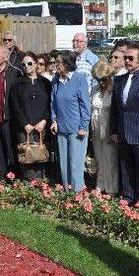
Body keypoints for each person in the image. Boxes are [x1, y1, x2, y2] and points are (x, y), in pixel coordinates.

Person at [110, 43, 139, 204]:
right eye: (126, 58)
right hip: (123, 131)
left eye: (131, 58)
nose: (128, 61)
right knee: (125, 166)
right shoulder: (119, 80)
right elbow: (115, 108)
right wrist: (114, 130)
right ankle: (128, 195)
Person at [50, 51, 90, 191]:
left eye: (58, 62)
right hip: (61, 127)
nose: (56, 65)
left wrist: (84, 126)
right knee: (64, 163)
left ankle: (77, 192)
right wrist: (54, 120)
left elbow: (85, 105)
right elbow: (53, 102)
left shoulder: (79, 79)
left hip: (77, 128)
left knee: (75, 163)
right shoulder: (56, 80)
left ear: (68, 64)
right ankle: (67, 191)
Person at [10, 51, 52, 180]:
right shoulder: (17, 84)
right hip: (25, 126)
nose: (27, 66)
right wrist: (24, 124)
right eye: (24, 64)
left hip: (41, 125)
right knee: (26, 156)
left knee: (40, 155)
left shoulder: (45, 83)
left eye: (29, 63)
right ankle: (27, 184)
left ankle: (40, 182)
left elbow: (50, 104)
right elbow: (15, 106)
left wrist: (44, 120)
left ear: (35, 64)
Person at [0, 46, 21, 175]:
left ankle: (13, 176)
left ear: (6, 57)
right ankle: (0, 176)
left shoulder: (14, 73)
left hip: (8, 118)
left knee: (10, 149)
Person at [90, 61, 118, 194]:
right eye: (98, 79)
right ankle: (100, 186)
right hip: (96, 128)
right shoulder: (94, 90)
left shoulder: (114, 90)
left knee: (110, 160)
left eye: (103, 79)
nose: (101, 82)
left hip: (108, 128)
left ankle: (111, 189)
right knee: (100, 159)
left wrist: (114, 131)